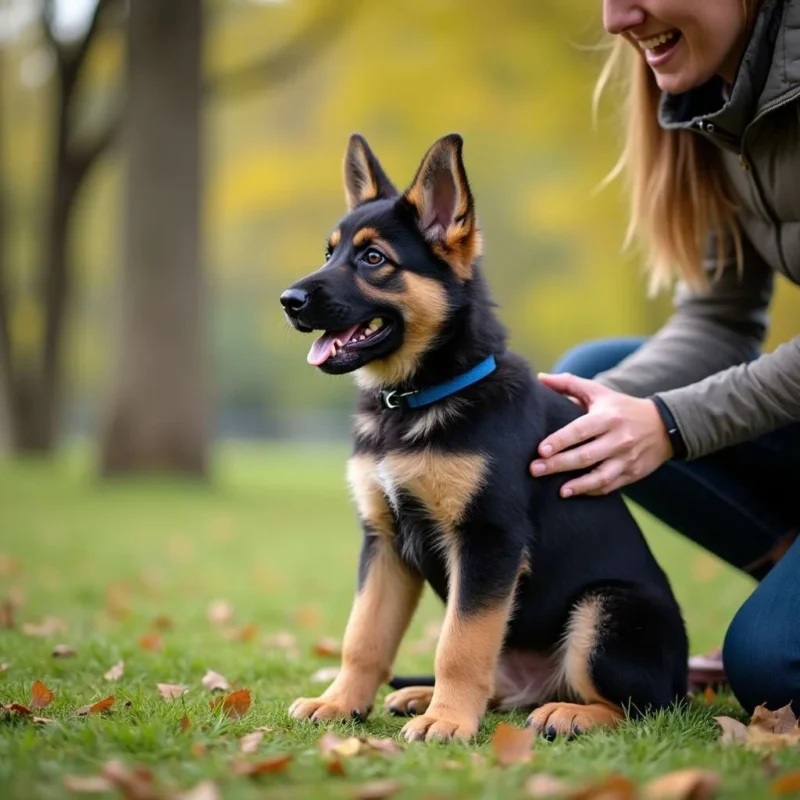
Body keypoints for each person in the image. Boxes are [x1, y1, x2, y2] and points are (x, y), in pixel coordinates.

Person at [529, 0, 800, 714]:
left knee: (771, 672)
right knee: (587, 385)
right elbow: (718, 317)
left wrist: (669, 423)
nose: (618, 17)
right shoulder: (715, 94)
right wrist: (552, 419)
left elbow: (676, 416)